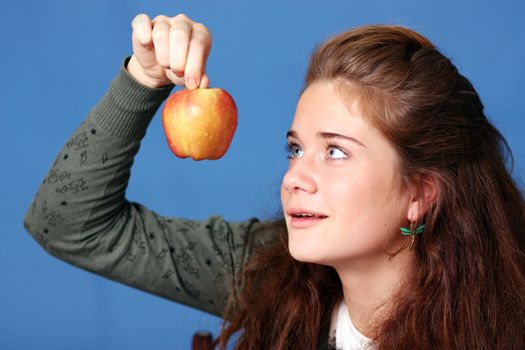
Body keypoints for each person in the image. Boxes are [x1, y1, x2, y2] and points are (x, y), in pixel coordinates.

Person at [23, 12, 525, 350]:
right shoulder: (266, 271)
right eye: (295, 149)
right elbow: (66, 224)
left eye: (335, 151)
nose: (294, 179)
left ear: (419, 196)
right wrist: (144, 77)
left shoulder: (506, 324)